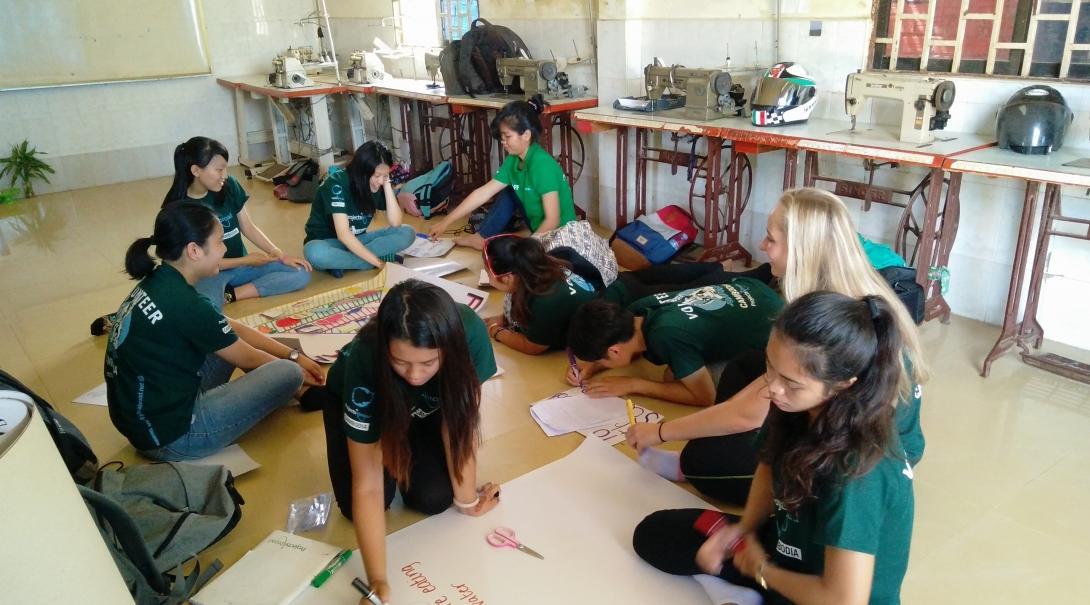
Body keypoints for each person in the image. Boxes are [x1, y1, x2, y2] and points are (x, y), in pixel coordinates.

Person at [626, 187, 927, 507]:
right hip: (840, 412)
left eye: (771, 239)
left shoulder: (830, 319)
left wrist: (661, 431)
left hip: (863, 454)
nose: (761, 246)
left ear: (800, 250)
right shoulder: (844, 284)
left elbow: (750, 412)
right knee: (744, 365)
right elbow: (763, 388)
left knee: (703, 463)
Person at [632, 291, 915, 605]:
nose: (773, 387)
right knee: (655, 535)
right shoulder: (794, 406)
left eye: (792, 382)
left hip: (822, 592)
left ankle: (753, 592)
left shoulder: (858, 470)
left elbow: (844, 600)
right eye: (770, 367)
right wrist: (744, 529)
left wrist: (762, 570)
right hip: (785, 551)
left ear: (844, 383)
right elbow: (768, 467)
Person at [318, 280, 500, 605]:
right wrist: (378, 581)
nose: (415, 375)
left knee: (434, 498)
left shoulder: (469, 334)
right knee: (358, 505)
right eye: (400, 362)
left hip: (426, 408)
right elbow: (368, 485)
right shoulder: (364, 361)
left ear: (449, 348)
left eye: (429, 362)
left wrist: (468, 500)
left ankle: (412, 432)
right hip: (368, 403)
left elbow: (457, 423)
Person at [104, 203, 324, 461]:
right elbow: (249, 358)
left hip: (146, 421)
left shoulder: (161, 280)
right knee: (286, 373)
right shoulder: (186, 303)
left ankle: (292, 386)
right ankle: (294, 387)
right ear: (194, 250)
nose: (225, 249)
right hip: (173, 437)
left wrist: (293, 354)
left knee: (234, 345)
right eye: (220, 242)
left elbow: (230, 328)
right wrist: (296, 370)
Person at [89, 136, 312, 334]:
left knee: (300, 272)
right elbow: (196, 262)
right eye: (218, 169)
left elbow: (249, 226)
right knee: (201, 312)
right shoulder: (179, 208)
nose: (224, 175)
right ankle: (127, 316)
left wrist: (278, 254)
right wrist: (248, 259)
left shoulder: (229, 186)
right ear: (196, 170)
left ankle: (233, 295)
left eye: (225, 168)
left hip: (241, 268)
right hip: (208, 272)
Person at [566, 278, 784, 407]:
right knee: (676, 370)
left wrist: (634, 385)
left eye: (600, 358)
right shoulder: (638, 312)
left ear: (614, 351)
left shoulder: (666, 336)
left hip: (778, 334)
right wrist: (592, 367)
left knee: (675, 378)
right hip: (757, 292)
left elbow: (705, 396)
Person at [427, 96, 578, 250]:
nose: (503, 142)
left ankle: (524, 246)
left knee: (511, 260)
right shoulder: (513, 160)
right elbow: (482, 193)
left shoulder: (542, 165)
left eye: (507, 137)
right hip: (540, 232)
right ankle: (481, 237)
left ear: (526, 135)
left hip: (561, 237)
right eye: (501, 137)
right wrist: (445, 222)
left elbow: (553, 220)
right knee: (510, 190)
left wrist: (526, 248)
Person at [303, 141, 416, 276]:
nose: (380, 181)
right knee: (314, 252)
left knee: (407, 232)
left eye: (385, 175)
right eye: (377, 176)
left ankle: (343, 263)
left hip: (358, 240)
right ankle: (365, 261)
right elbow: (343, 235)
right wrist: (378, 263)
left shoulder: (379, 184)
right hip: (330, 243)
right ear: (362, 172)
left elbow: (396, 222)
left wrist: (387, 185)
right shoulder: (336, 184)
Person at [482, 234, 598, 354]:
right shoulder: (541, 268)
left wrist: (495, 331)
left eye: (488, 273)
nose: (488, 278)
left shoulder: (544, 301)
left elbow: (532, 347)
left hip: (591, 344)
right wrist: (505, 318)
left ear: (508, 278)